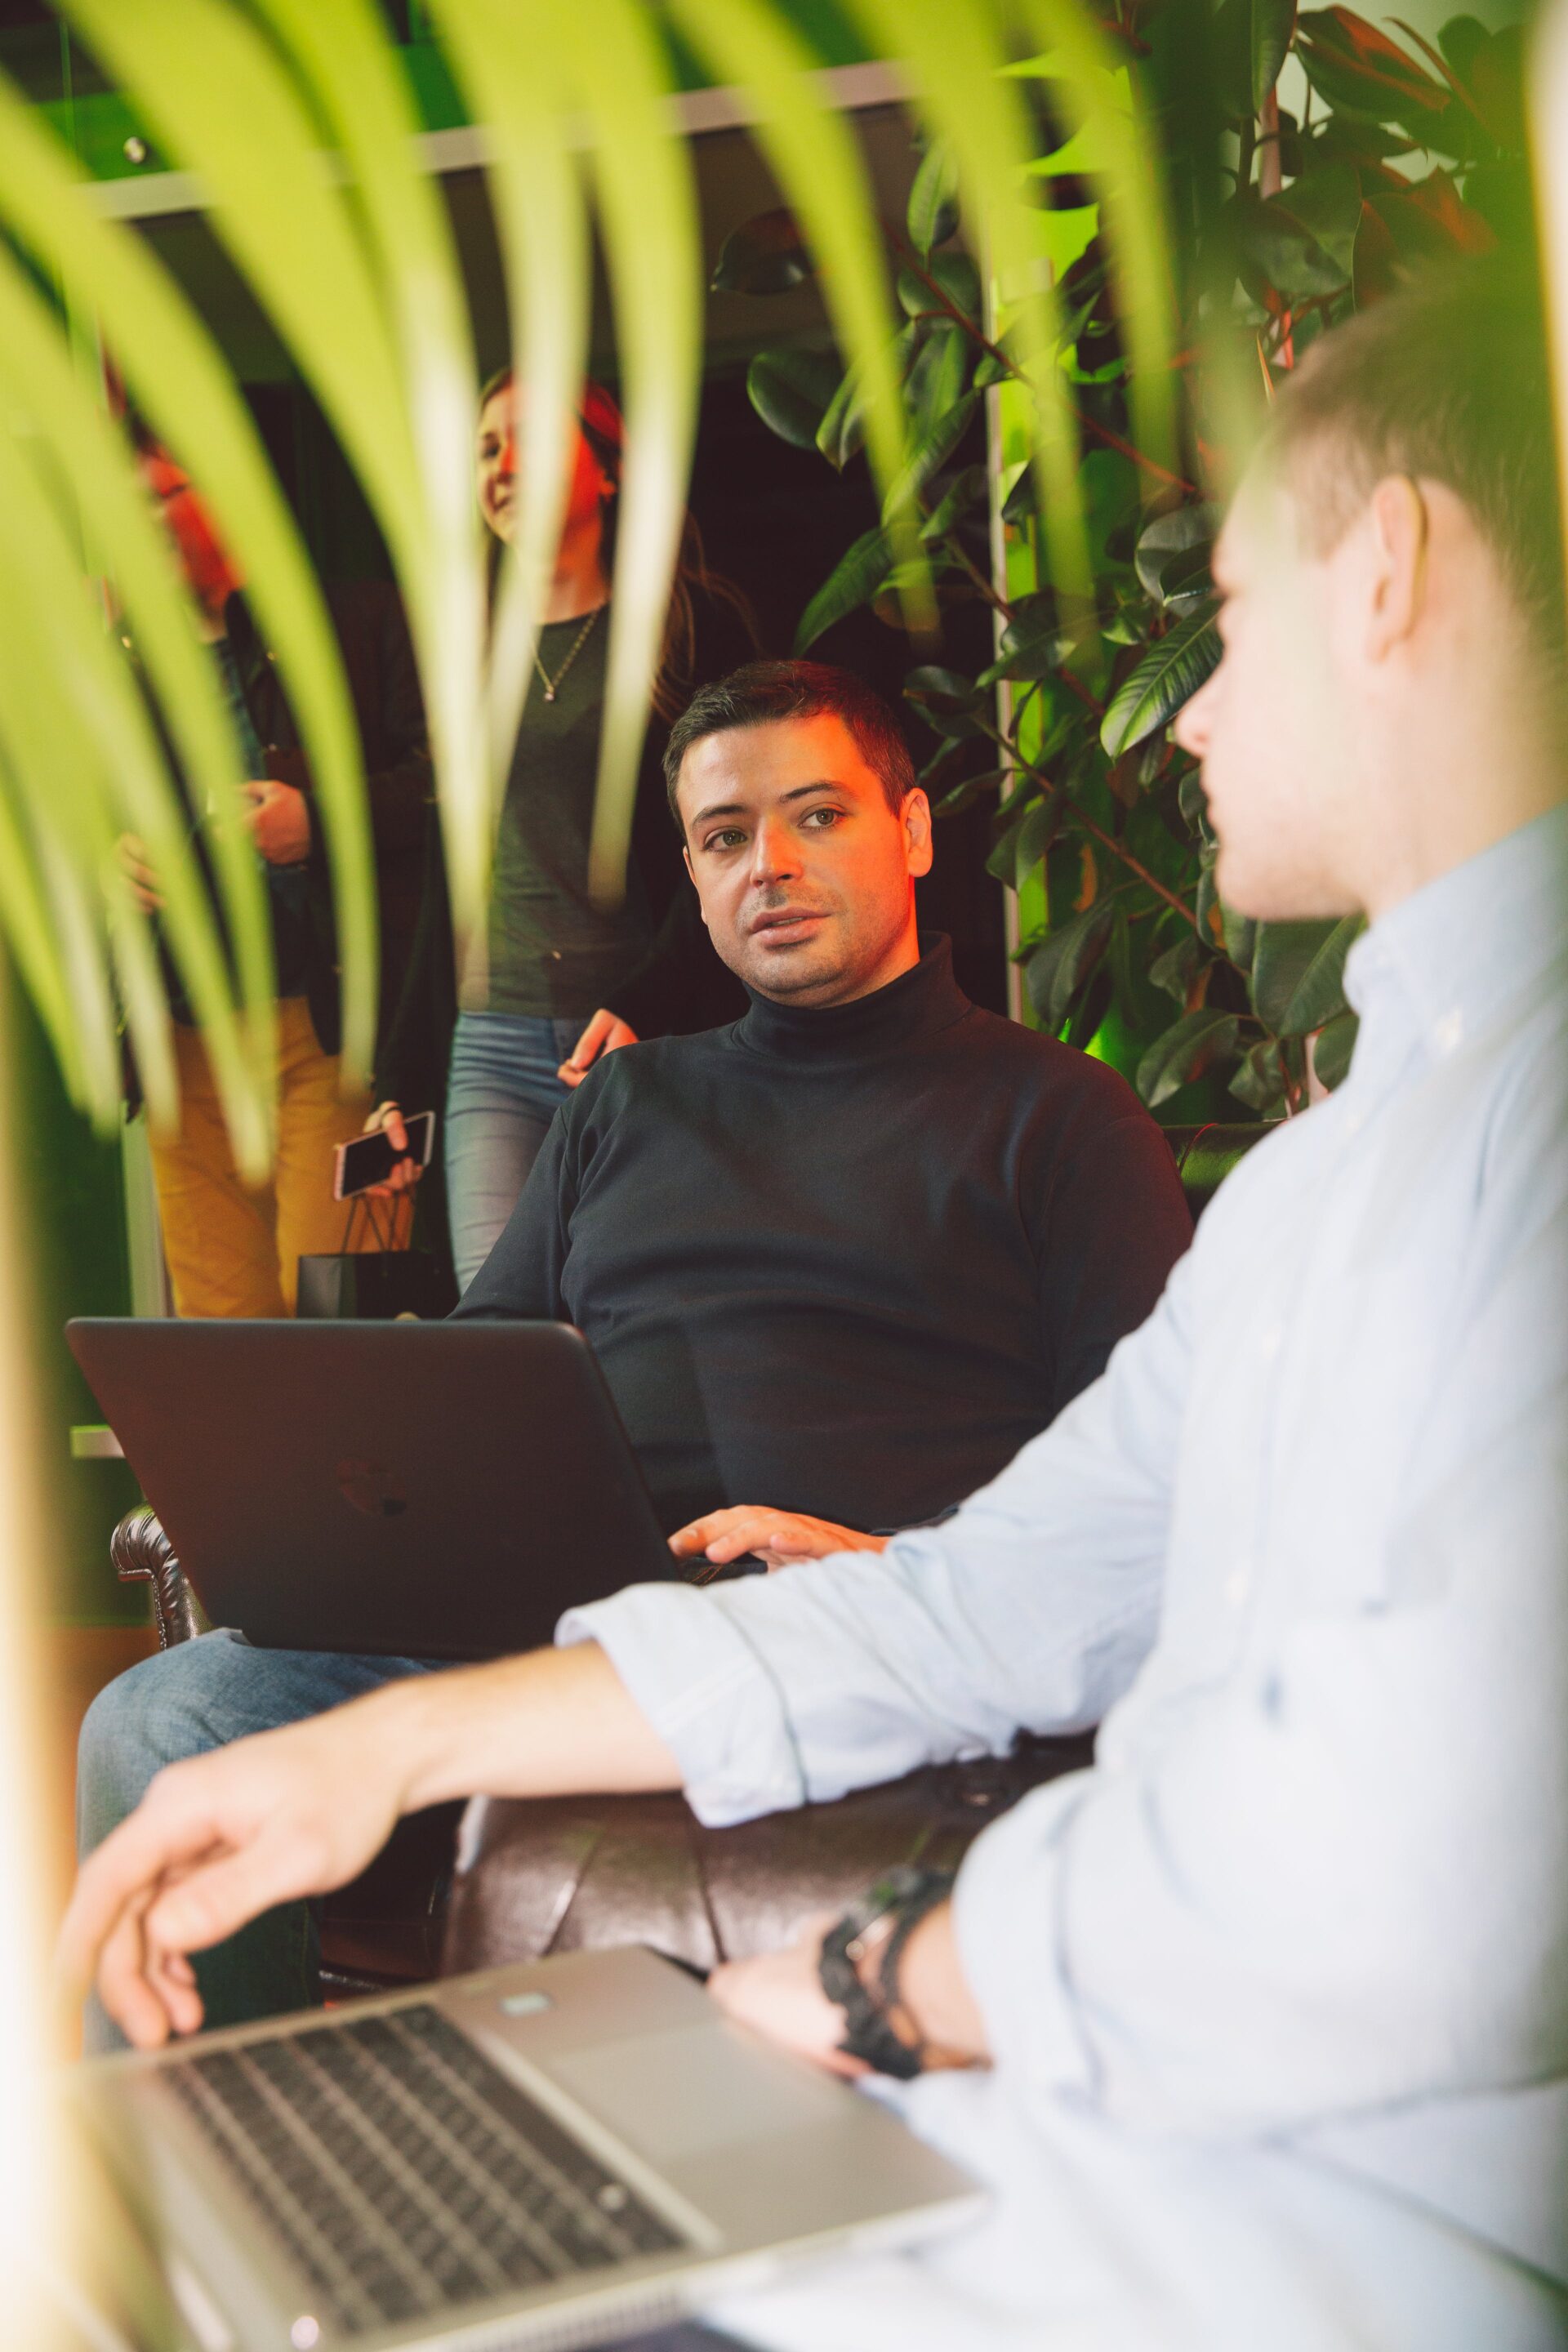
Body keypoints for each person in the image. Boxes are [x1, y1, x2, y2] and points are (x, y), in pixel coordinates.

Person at [66, 264, 1568, 2350]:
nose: (1199, 704)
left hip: (1304, 2236)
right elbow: (1002, 1594)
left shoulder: (1137, 1124)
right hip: (1067, 2113)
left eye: (1226, 618)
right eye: (716, 837)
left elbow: (1407, 1871)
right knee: (251, 2207)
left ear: (1389, 569)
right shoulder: (1333, 1169)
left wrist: (874, 1977)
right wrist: (393, 1737)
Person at [74, 659, 1192, 2032]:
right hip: (550, 1620)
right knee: (163, 1719)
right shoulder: (627, 1101)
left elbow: (1144, 1493)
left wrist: (896, 1564)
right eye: (726, 838)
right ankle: (219, 2178)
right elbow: (481, 1374)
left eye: (818, 817)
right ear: (693, 873)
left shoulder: (1062, 1120)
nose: (769, 865)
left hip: (862, 1628)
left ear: (911, 832)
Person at [373, 373, 758, 1290]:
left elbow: (737, 848)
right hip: (490, 1042)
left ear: (610, 466)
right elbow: (447, 878)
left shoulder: (688, 624)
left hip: (640, 1042)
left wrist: (651, 1001)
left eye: (529, 439)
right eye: (487, 449)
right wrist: (403, 1070)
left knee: (640, 1319)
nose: (503, 466)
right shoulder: (457, 644)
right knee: (499, 1333)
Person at [123, 437, 431, 1316]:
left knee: (335, 1317)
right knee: (219, 1343)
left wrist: (320, 821)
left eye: (157, 497)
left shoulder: (359, 619)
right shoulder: (129, 665)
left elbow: (446, 787)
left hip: (324, 1024)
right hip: (186, 1037)